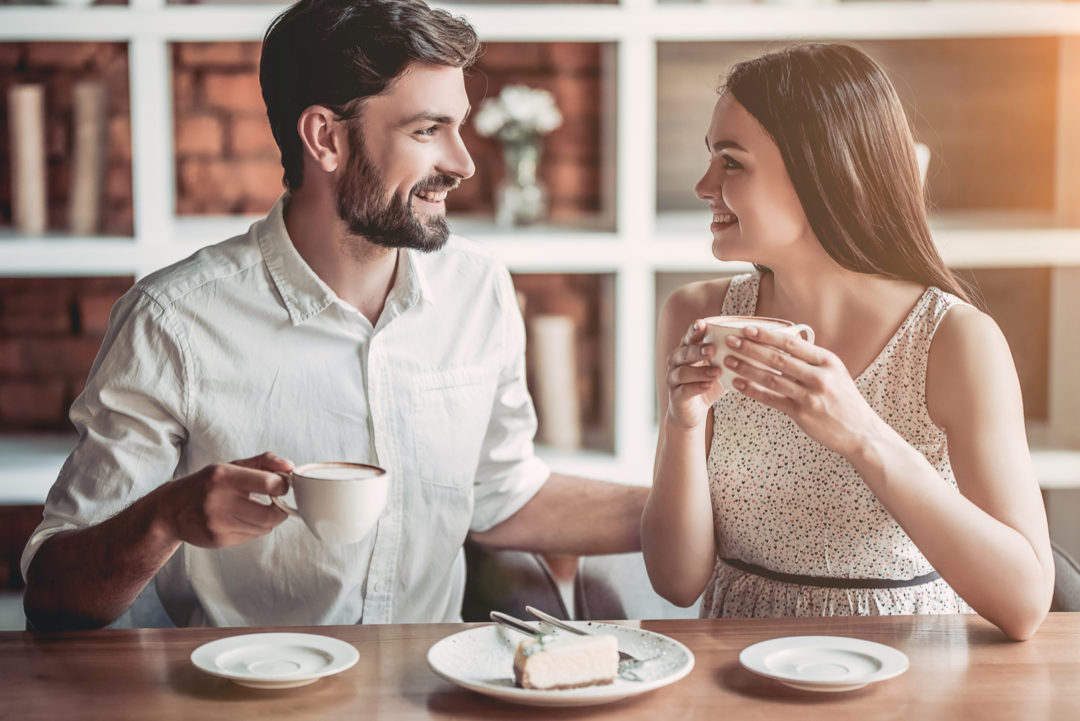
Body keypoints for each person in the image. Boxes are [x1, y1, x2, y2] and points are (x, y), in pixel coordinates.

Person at [21, 0, 646, 631]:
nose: (463, 163)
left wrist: (713, 512)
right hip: (238, 696)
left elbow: (502, 495)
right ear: (326, 138)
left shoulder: (477, 289)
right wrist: (164, 519)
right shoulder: (172, 321)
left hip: (428, 689)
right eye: (428, 131)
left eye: (459, 127)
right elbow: (52, 593)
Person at [641, 43, 1054, 641]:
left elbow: (1024, 604)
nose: (704, 185)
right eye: (711, 158)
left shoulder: (956, 341)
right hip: (738, 667)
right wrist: (681, 425)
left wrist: (861, 433)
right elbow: (676, 582)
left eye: (731, 162)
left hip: (911, 673)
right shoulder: (697, 314)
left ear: (822, 171)